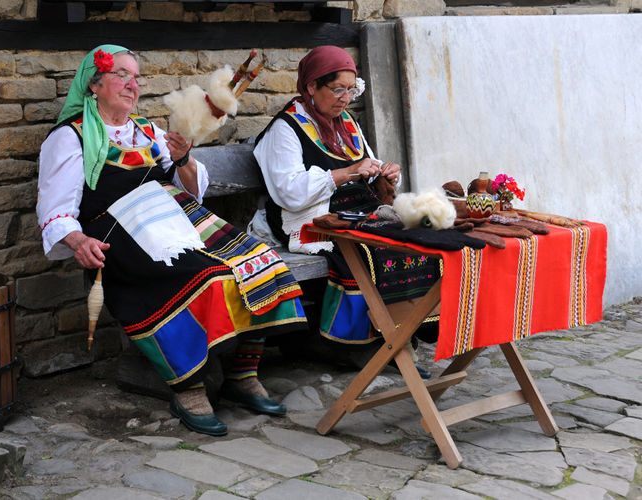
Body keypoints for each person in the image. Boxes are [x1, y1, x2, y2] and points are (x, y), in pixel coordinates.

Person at [37, 45, 308, 436]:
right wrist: (78, 240)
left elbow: (192, 190)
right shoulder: (70, 137)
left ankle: (243, 374)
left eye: (137, 77)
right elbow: (55, 209)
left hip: (176, 218)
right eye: (122, 76)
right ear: (93, 85)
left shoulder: (147, 130)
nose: (133, 85)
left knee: (260, 259)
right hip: (121, 231)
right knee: (206, 278)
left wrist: (182, 160)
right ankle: (189, 387)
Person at [253, 45, 439, 377]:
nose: (345, 98)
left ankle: (401, 333)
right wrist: (346, 173)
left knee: (414, 237)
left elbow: (365, 163)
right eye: (337, 89)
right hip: (310, 218)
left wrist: (385, 170)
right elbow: (290, 193)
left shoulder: (346, 122)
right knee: (368, 249)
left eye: (351, 90)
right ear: (311, 86)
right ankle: (355, 345)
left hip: (355, 209)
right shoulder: (286, 128)